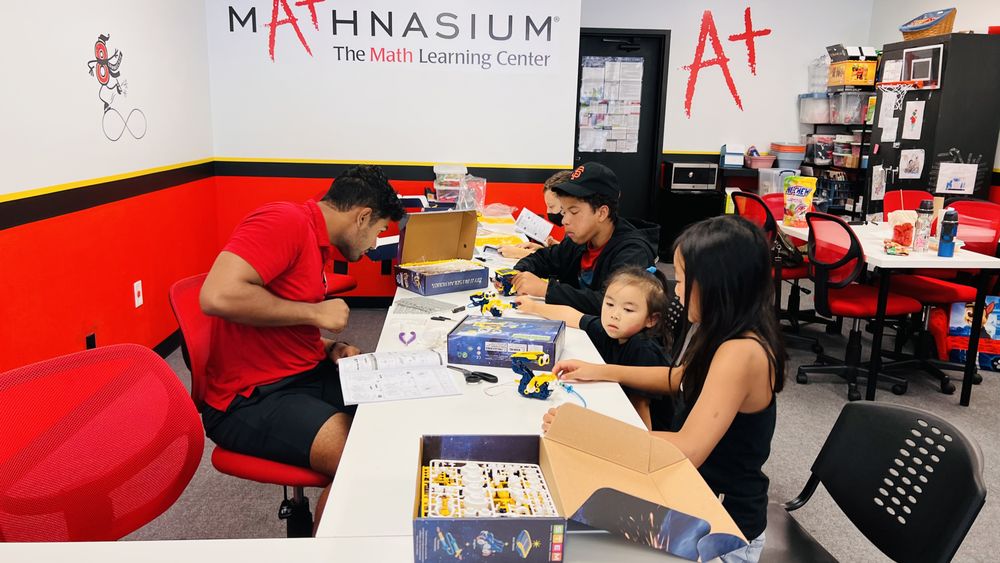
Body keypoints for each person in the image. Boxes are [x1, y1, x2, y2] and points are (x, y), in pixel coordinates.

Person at [542, 215, 785, 562]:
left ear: (717, 284)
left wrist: (587, 431)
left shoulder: (741, 352)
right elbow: (680, 377)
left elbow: (689, 448)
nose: (677, 292)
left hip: (721, 529)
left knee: (576, 538)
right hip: (691, 494)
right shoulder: (724, 329)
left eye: (683, 280)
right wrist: (602, 370)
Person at [198, 164, 405, 480]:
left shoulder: (316, 241)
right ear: (363, 217)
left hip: (303, 373)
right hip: (249, 397)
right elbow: (217, 296)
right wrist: (315, 313)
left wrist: (330, 346)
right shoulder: (285, 220)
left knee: (393, 416)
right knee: (364, 463)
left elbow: (277, 324)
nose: (375, 244)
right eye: (379, 231)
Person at [515, 265, 671, 429]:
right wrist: (533, 307)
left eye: (628, 309)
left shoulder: (644, 350)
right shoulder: (613, 330)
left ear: (651, 320)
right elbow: (574, 316)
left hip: (649, 431)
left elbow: (641, 415)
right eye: (609, 304)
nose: (614, 315)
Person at [511, 162, 660, 315]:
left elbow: (611, 304)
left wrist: (546, 290)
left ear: (602, 213)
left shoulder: (633, 253)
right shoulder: (580, 239)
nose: (564, 220)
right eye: (564, 212)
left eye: (574, 212)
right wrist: (516, 273)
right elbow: (546, 258)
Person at [497, 170, 570, 259]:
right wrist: (548, 248)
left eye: (551, 206)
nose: (548, 211)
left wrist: (523, 254)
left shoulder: (579, 230)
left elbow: (568, 263)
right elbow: (569, 253)